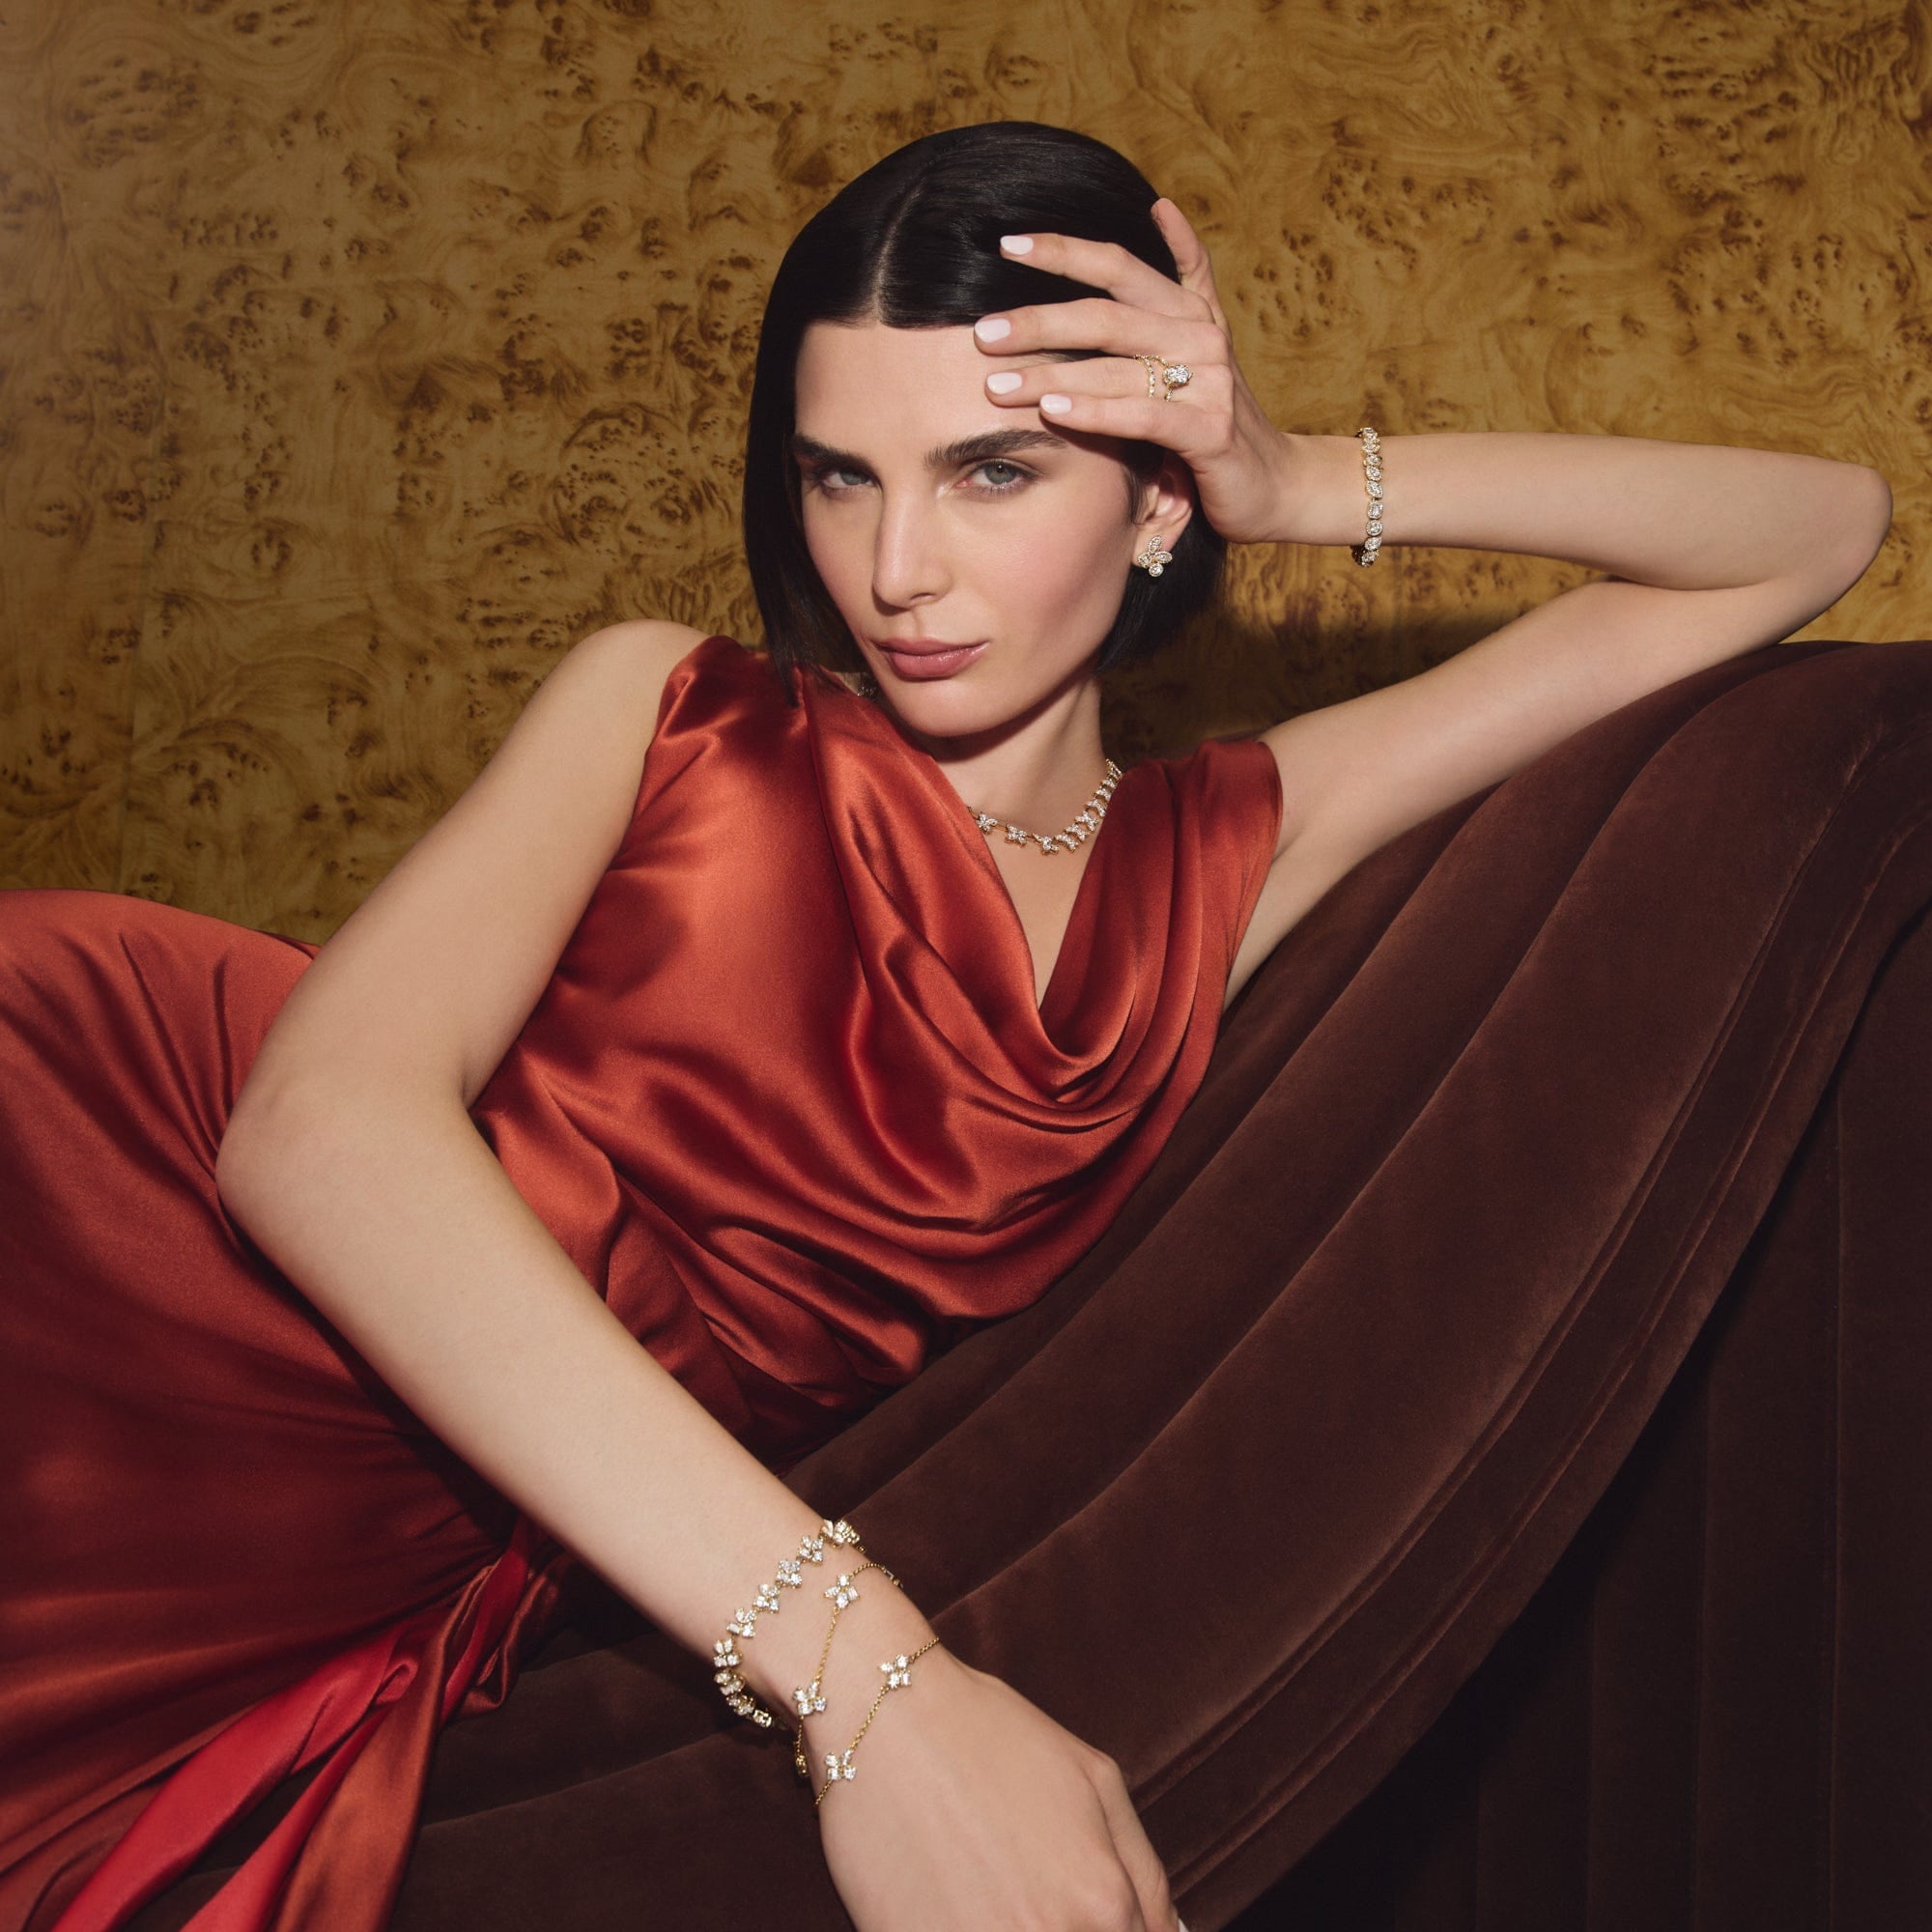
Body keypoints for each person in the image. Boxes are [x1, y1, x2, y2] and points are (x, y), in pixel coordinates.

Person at [0, 117, 1889, 1932]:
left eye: (991, 472)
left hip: (397, 1534)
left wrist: (1300, 478)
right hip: (119, 1273)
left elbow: (1815, 532)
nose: (897, 566)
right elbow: (315, 1134)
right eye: (842, 475)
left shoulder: (1227, 855)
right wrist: (875, 1686)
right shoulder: (673, 710)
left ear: (1153, 499)